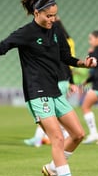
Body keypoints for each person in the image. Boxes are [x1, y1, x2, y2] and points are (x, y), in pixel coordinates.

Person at [0, 0, 96, 176]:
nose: (52, 20)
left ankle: (52, 169)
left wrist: (85, 63)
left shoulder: (56, 30)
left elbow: (66, 58)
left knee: (78, 134)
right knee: (57, 138)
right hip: (36, 92)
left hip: (55, 90)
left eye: (55, 15)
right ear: (37, 12)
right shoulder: (26, 33)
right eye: (48, 16)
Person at [23, 18, 76, 147]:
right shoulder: (67, 42)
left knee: (48, 113)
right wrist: (72, 82)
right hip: (63, 80)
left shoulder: (52, 42)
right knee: (53, 114)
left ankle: (40, 140)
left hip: (54, 81)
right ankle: (48, 138)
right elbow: (70, 63)